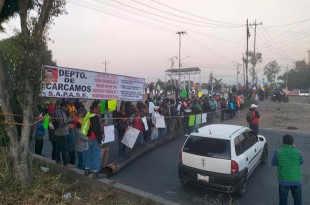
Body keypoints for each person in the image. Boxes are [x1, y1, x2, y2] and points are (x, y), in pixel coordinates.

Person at [271, 134, 304, 205]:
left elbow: (273, 163)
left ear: (283, 142)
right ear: (292, 142)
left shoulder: (277, 151)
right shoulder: (298, 152)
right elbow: (301, 162)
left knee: (283, 202)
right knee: (298, 201)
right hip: (296, 180)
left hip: (283, 181)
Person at [84, 100, 104, 179]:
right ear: (95, 108)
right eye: (99, 106)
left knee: (89, 153)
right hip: (95, 138)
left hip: (90, 137)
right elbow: (97, 130)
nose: (100, 108)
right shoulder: (95, 116)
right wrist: (100, 141)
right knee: (96, 154)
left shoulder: (89, 115)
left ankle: (87, 169)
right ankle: (95, 172)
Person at [53, 100, 71, 167]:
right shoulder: (60, 112)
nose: (67, 109)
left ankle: (58, 159)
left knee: (58, 147)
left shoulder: (55, 111)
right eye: (66, 107)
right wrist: (69, 121)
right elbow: (63, 123)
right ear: (64, 106)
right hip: (62, 132)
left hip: (57, 132)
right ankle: (65, 161)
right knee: (64, 148)